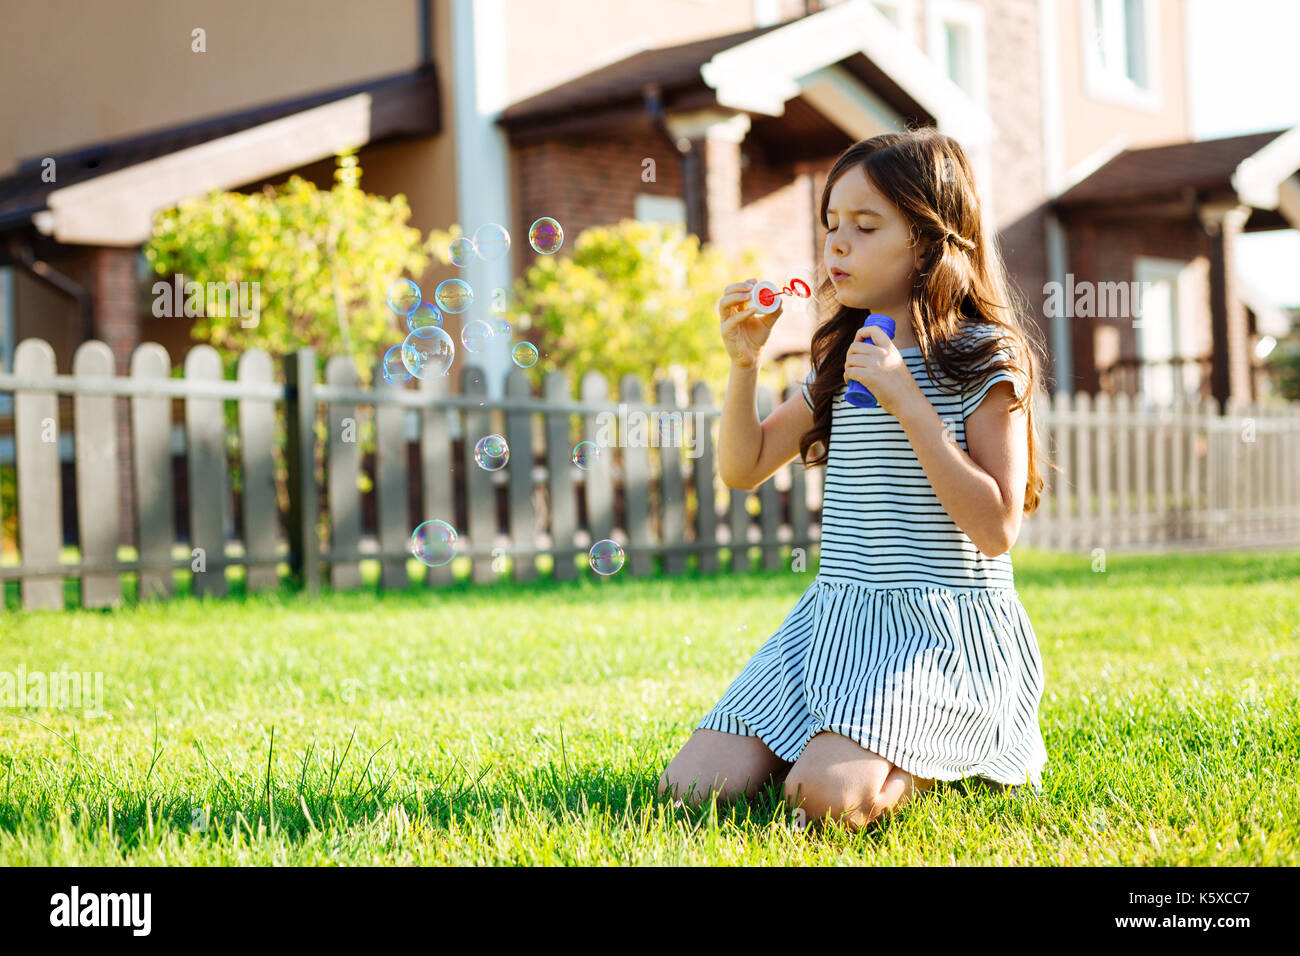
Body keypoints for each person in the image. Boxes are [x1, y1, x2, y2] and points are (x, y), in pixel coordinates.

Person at [657, 127, 1053, 833]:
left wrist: (908, 401)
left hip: (937, 633)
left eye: (865, 226)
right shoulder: (842, 355)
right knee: (690, 791)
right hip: (836, 622)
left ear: (933, 241)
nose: (837, 244)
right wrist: (743, 363)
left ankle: (944, 748)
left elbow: (995, 529)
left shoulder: (987, 356)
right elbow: (742, 468)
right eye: (831, 224)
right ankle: (837, 743)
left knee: (821, 800)